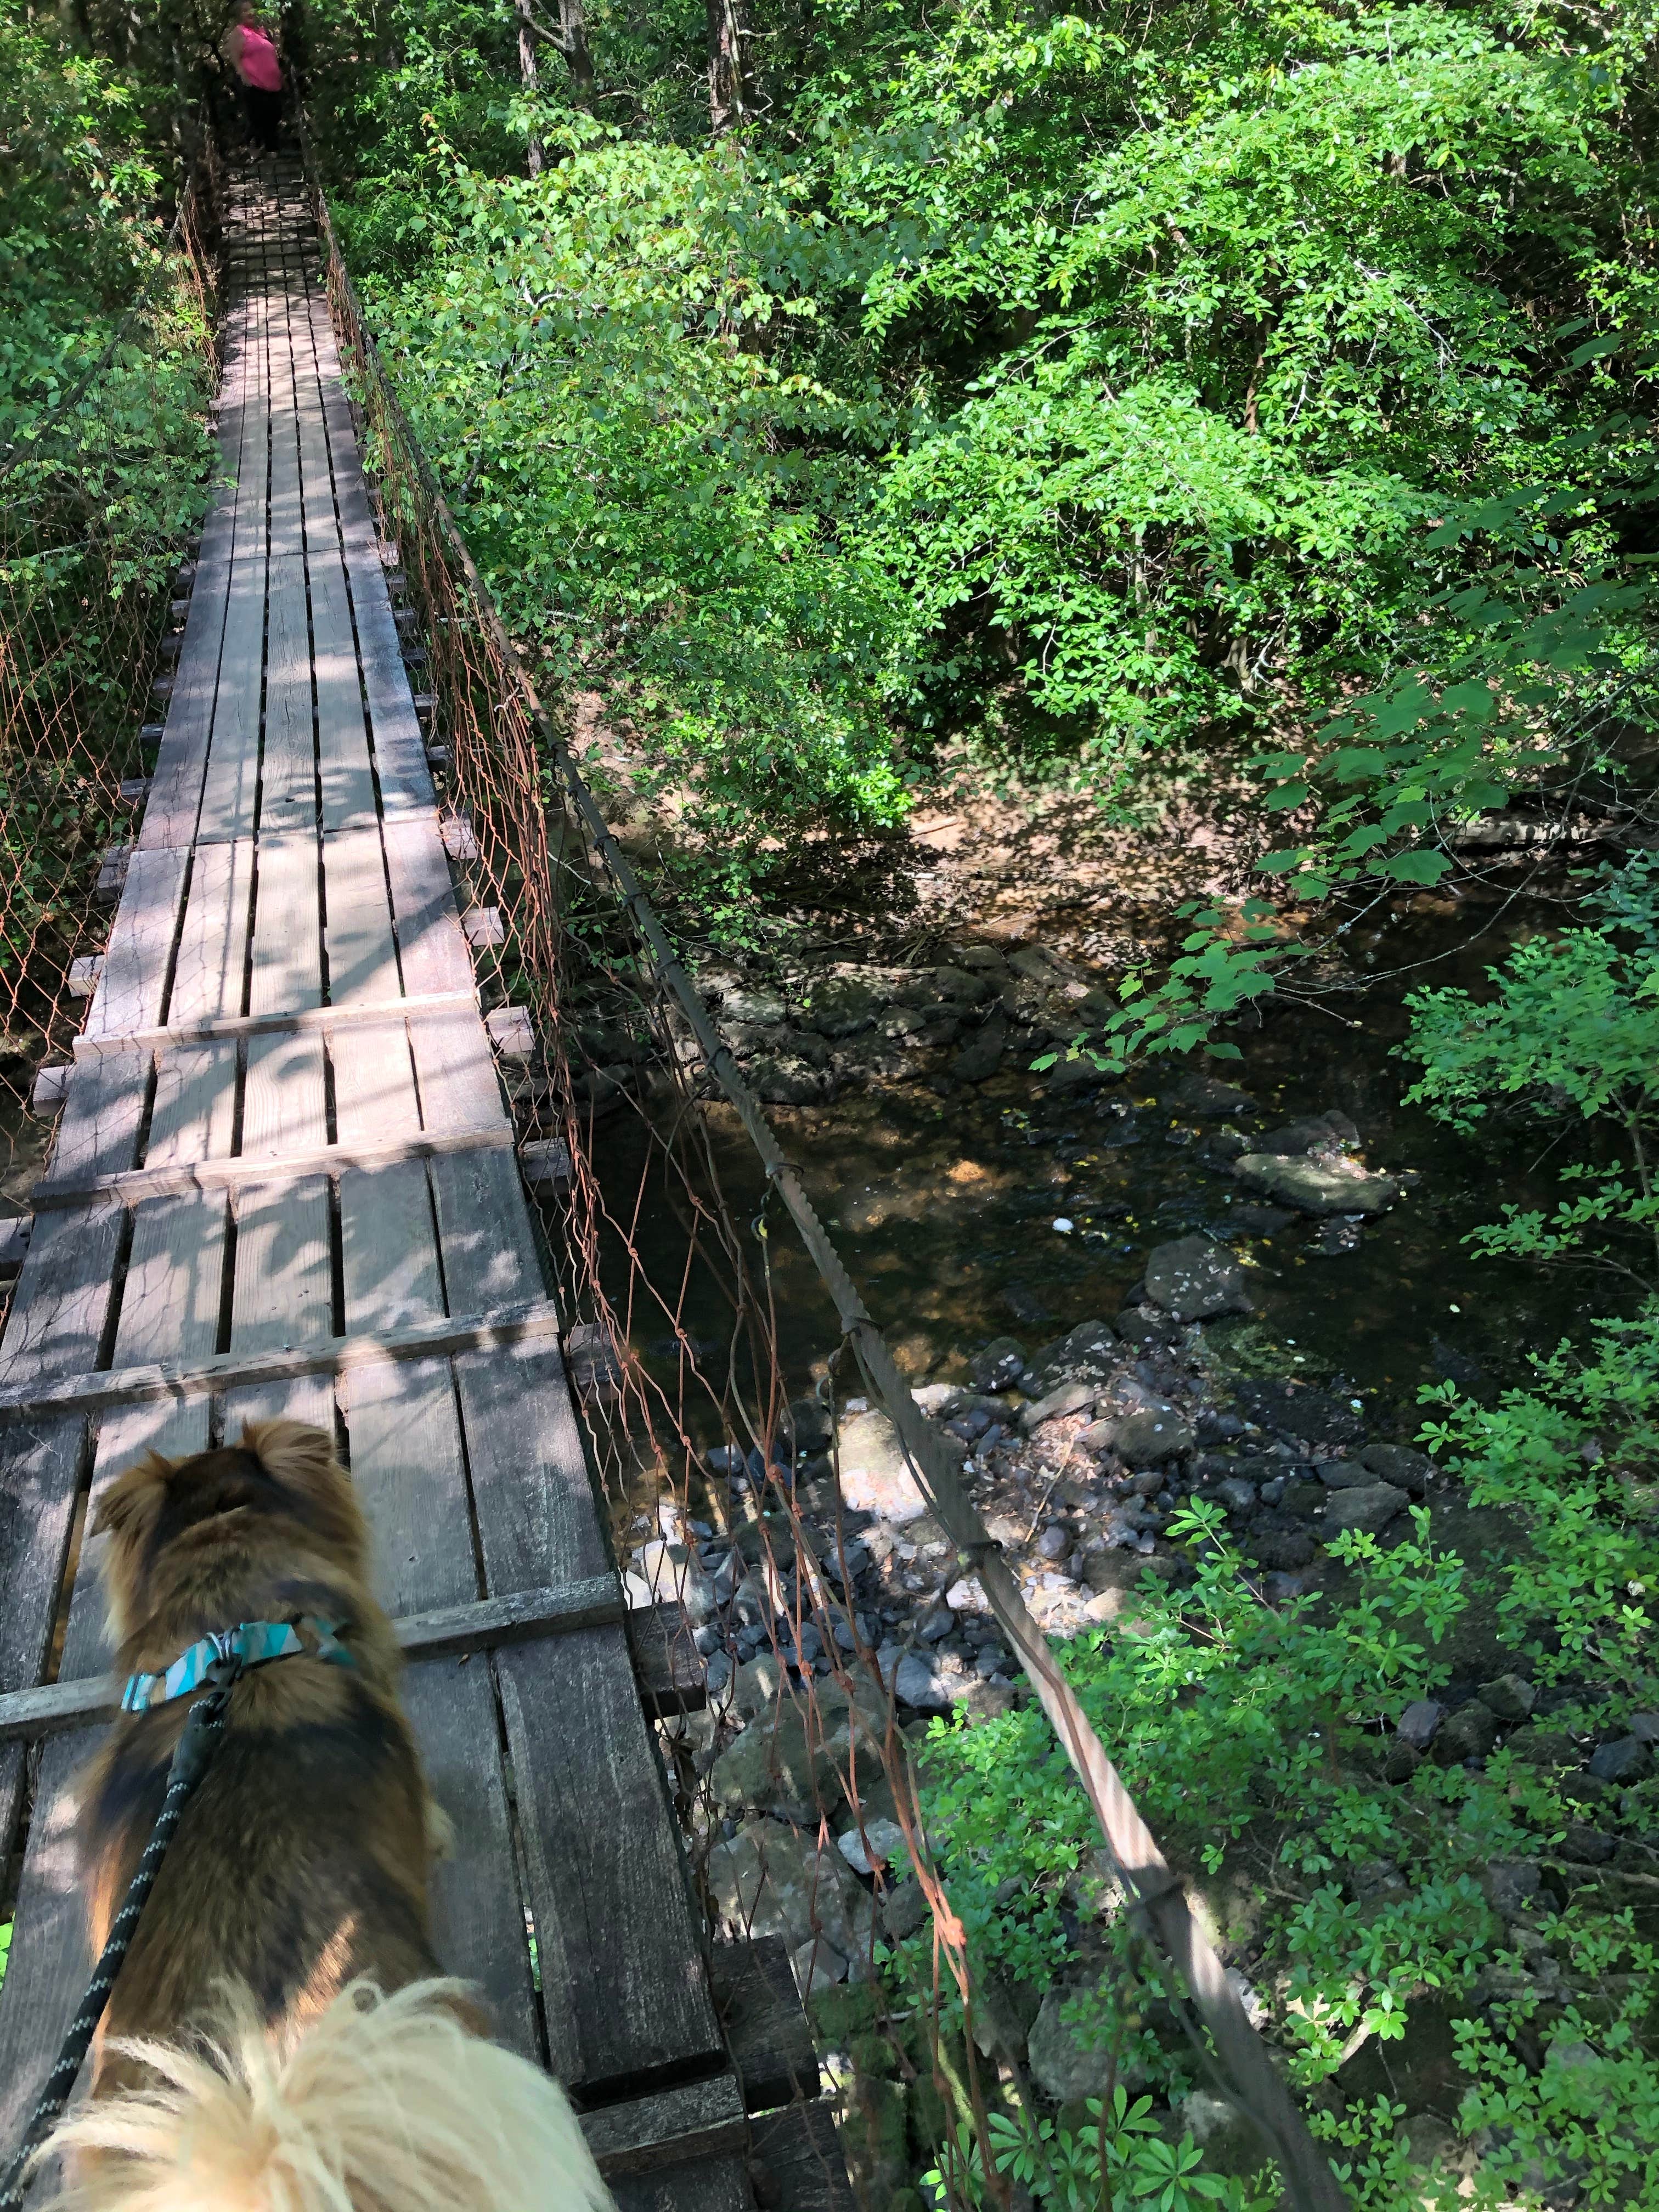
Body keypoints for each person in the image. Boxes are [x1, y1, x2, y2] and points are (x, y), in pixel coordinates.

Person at [222, 1, 284, 155]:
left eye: (252, 10)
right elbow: (235, 58)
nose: (250, 13)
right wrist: (244, 77)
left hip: (274, 85)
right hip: (254, 84)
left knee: (275, 115)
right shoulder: (240, 32)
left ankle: (270, 150)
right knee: (258, 118)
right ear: (239, 15)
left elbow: (272, 56)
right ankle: (257, 150)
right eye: (245, 11)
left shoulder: (263, 32)